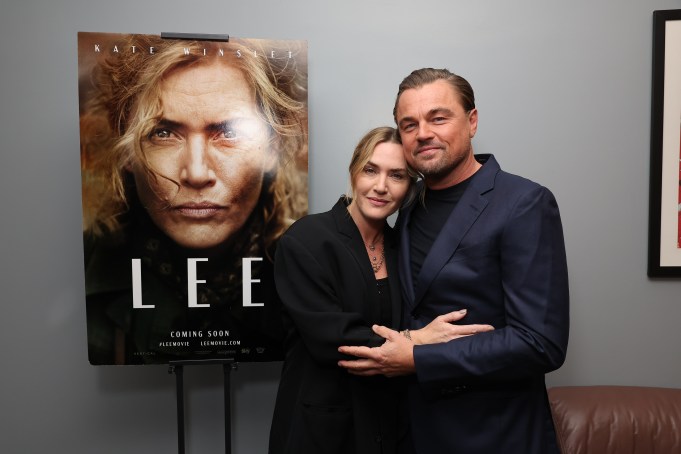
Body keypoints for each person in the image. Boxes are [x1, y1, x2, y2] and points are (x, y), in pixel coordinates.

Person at [338, 68, 570, 453]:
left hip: (493, 435)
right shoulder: (406, 203)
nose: (423, 133)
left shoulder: (523, 203)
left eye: (438, 118)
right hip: (412, 429)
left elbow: (540, 342)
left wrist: (418, 358)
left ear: (472, 121)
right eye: (408, 124)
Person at [78, 33, 308, 364]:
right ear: (127, 150)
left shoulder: (309, 274)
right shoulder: (88, 272)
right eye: (163, 133)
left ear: (272, 147)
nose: (197, 173)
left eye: (229, 133)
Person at [269, 126, 493, 454]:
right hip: (322, 431)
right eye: (371, 170)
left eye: (397, 176)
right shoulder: (307, 239)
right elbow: (333, 338)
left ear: (410, 188)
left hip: (389, 426)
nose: (381, 187)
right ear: (353, 172)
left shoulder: (401, 247)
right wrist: (416, 340)